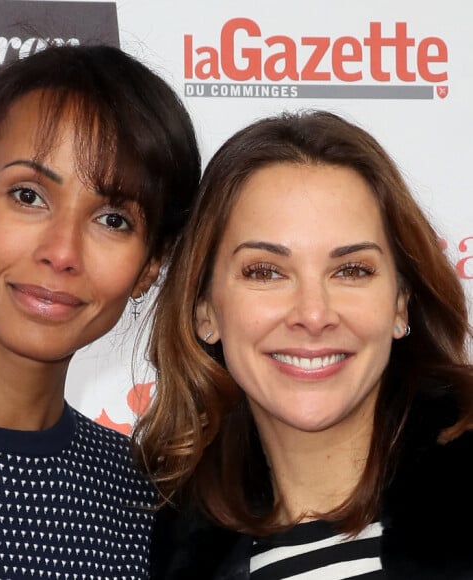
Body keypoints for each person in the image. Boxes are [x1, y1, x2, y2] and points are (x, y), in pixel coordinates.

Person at [0, 44, 200, 578]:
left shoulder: (146, 505)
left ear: (152, 264)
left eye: (112, 220)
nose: (62, 252)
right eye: (29, 196)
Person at [134, 110, 473, 579]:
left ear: (400, 304)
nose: (313, 315)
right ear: (205, 310)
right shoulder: (155, 542)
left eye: (352, 270)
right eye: (265, 271)